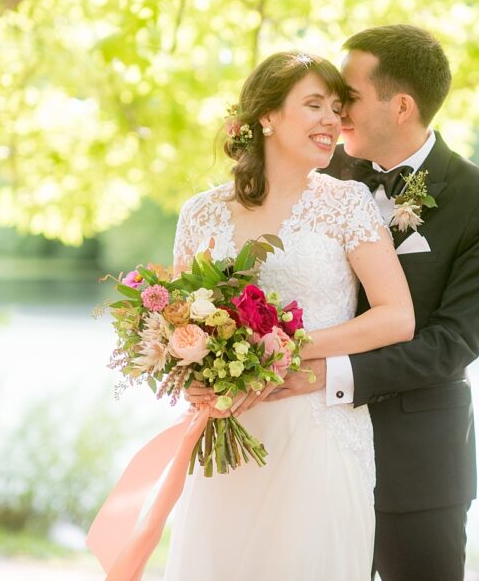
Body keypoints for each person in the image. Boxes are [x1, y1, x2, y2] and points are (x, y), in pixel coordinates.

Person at [268, 24, 479, 580]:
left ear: (401, 106)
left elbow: (453, 345)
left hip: (417, 462)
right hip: (308, 445)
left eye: (348, 98)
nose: (336, 113)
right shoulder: (315, 175)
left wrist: (328, 374)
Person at [164, 51, 415, 580]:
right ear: (267, 117)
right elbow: (182, 321)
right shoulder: (201, 212)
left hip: (317, 428)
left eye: (336, 107)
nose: (332, 120)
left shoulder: (345, 203)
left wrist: (286, 349)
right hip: (229, 433)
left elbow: (397, 317)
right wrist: (192, 373)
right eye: (314, 105)